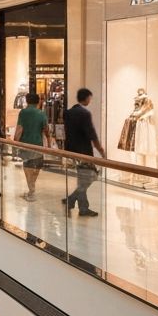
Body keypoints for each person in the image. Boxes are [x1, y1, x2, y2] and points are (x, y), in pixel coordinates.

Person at [63, 88, 106, 218]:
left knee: (83, 179)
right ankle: (72, 200)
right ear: (87, 98)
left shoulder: (68, 112)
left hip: (72, 151)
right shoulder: (84, 113)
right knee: (90, 177)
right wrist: (101, 150)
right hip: (84, 152)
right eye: (90, 98)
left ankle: (82, 207)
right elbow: (91, 134)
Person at [13, 91, 49, 200]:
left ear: (27, 101)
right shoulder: (41, 113)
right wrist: (49, 140)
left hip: (25, 143)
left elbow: (19, 129)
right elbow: (46, 129)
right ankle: (32, 188)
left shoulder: (23, 112)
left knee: (27, 165)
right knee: (36, 166)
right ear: (38, 101)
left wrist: (15, 143)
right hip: (38, 144)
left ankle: (31, 189)